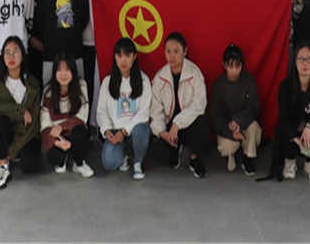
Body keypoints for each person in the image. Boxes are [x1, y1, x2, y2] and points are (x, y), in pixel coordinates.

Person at [150, 32, 209, 178]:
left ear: (185, 51)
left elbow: (199, 105)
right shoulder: (159, 78)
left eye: (176, 51)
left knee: (202, 124)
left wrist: (178, 123)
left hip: (188, 124)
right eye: (168, 51)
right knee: (156, 153)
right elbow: (156, 113)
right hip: (170, 128)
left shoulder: (194, 74)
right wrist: (162, 133)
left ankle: (194, 158)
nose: (172, 56)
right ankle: (175, 149)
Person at [272, 41, 310, 181]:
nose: (305, 63)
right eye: (301, 59)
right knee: (283, 131)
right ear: (294, 62)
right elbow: (284, 117)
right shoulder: (285, 86)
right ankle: (289, 160)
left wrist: (309, 126)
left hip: (309, 131)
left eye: (309, 59)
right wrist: (294, 136)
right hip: (292, 130)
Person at [0, 36, 41, 189]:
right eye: (7, 53)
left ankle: (10, 155)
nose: (11, 57)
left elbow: (34, 122)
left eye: (15, 52)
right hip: (7, 132)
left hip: (27, 135)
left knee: (28, 165)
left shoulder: (32, 83)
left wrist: (13, 150)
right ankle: (3, 166)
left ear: (22, 56)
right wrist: (20, 111)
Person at [34, 0, 89, 86]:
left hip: (75, 52)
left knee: (77, 91)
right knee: (49, 93)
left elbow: (83, 18)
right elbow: (40, 22)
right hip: (50, 54)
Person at [96, 38, 152, 180]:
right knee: (109, 164)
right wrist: (107, 129)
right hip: (116, 132)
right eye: (119, 55)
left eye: (127, 55)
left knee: (142, 130)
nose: (123, 60)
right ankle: (125, 154)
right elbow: (101, 111)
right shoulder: (108, 82)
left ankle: (138, 162)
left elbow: (144, 114)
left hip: (135, 132)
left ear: (134, 56)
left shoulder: (144, 81)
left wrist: (125, 131)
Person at [210, 44, 261, 175]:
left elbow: (253, 107)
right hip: (228, 128)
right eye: (230, 66)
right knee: (225, 147)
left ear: (242, 66)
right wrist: (230, 131)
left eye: (237, 66)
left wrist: (239, 120)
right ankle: (232, 155)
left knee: (254, 129)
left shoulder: (248, 80)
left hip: (245, 123)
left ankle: (247, 157)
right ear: (223, 65)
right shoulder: (218, 84)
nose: (234, 71)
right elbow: (215, 116)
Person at [40, 53, 93, 177]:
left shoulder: (81, 86)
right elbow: (44, 123)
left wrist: (62, 127)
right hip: (56, 134)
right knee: (55, 158)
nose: (63, 74)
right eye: (59, 70)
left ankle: (79, 163)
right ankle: (63, 158)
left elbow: (82, 116)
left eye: (67, 69)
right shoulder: (48, 91)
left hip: (72, 130)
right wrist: (56, 142)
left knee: (80, 133)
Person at [75, 0, 106, 121]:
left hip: (101, 40)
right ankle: (84, 120)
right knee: (83, 82)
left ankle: (98, 121)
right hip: (81, 40)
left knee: (99, 83)